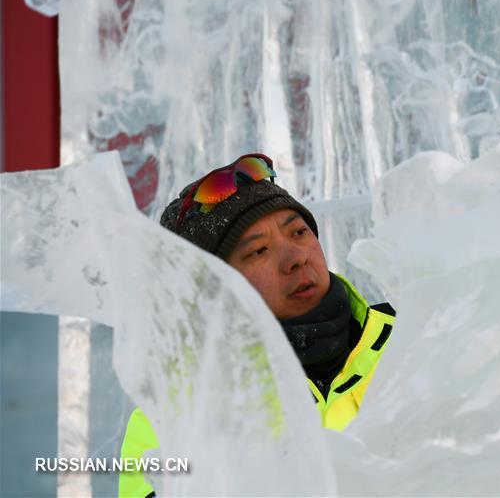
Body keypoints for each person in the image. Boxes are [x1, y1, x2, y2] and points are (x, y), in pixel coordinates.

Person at [119, 154, 395, 497]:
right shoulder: (174, 411)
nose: (296, 257)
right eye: (259, 251)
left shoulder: (412, 339)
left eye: (299, 231)